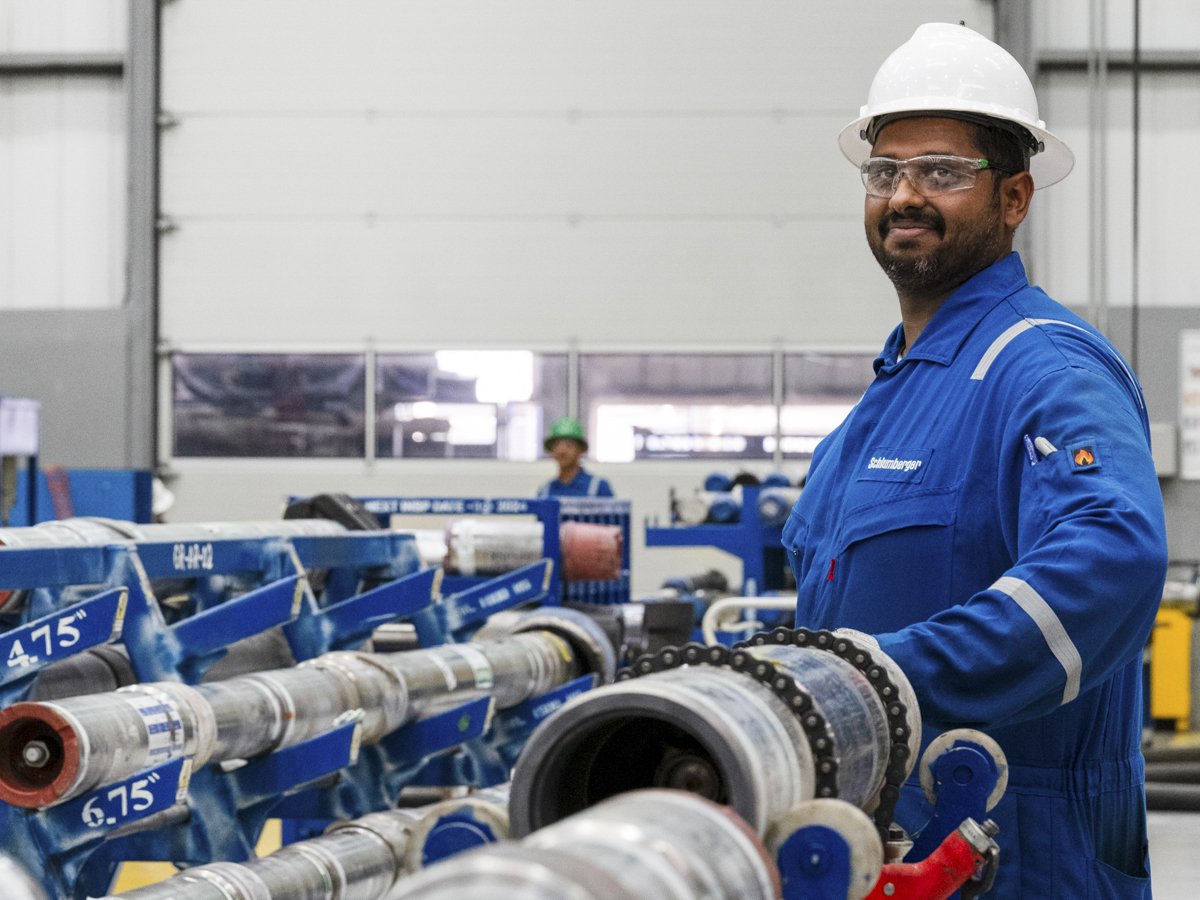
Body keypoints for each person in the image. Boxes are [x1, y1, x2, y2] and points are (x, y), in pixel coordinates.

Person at [784, 22, 1167, 898]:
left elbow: (1114, 555)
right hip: (876, 849)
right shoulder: (878, 407)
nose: (905, 195)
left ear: (1015, 196)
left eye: (944, 172)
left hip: (1019, 859)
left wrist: (884, 678)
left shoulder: (1044, 365)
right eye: (885, 172)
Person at [537, 416, 614, 498]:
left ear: (580, 450)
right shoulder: (545, 492)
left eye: (569, 445)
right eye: (557, 445)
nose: (562, 451)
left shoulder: (598, 488)